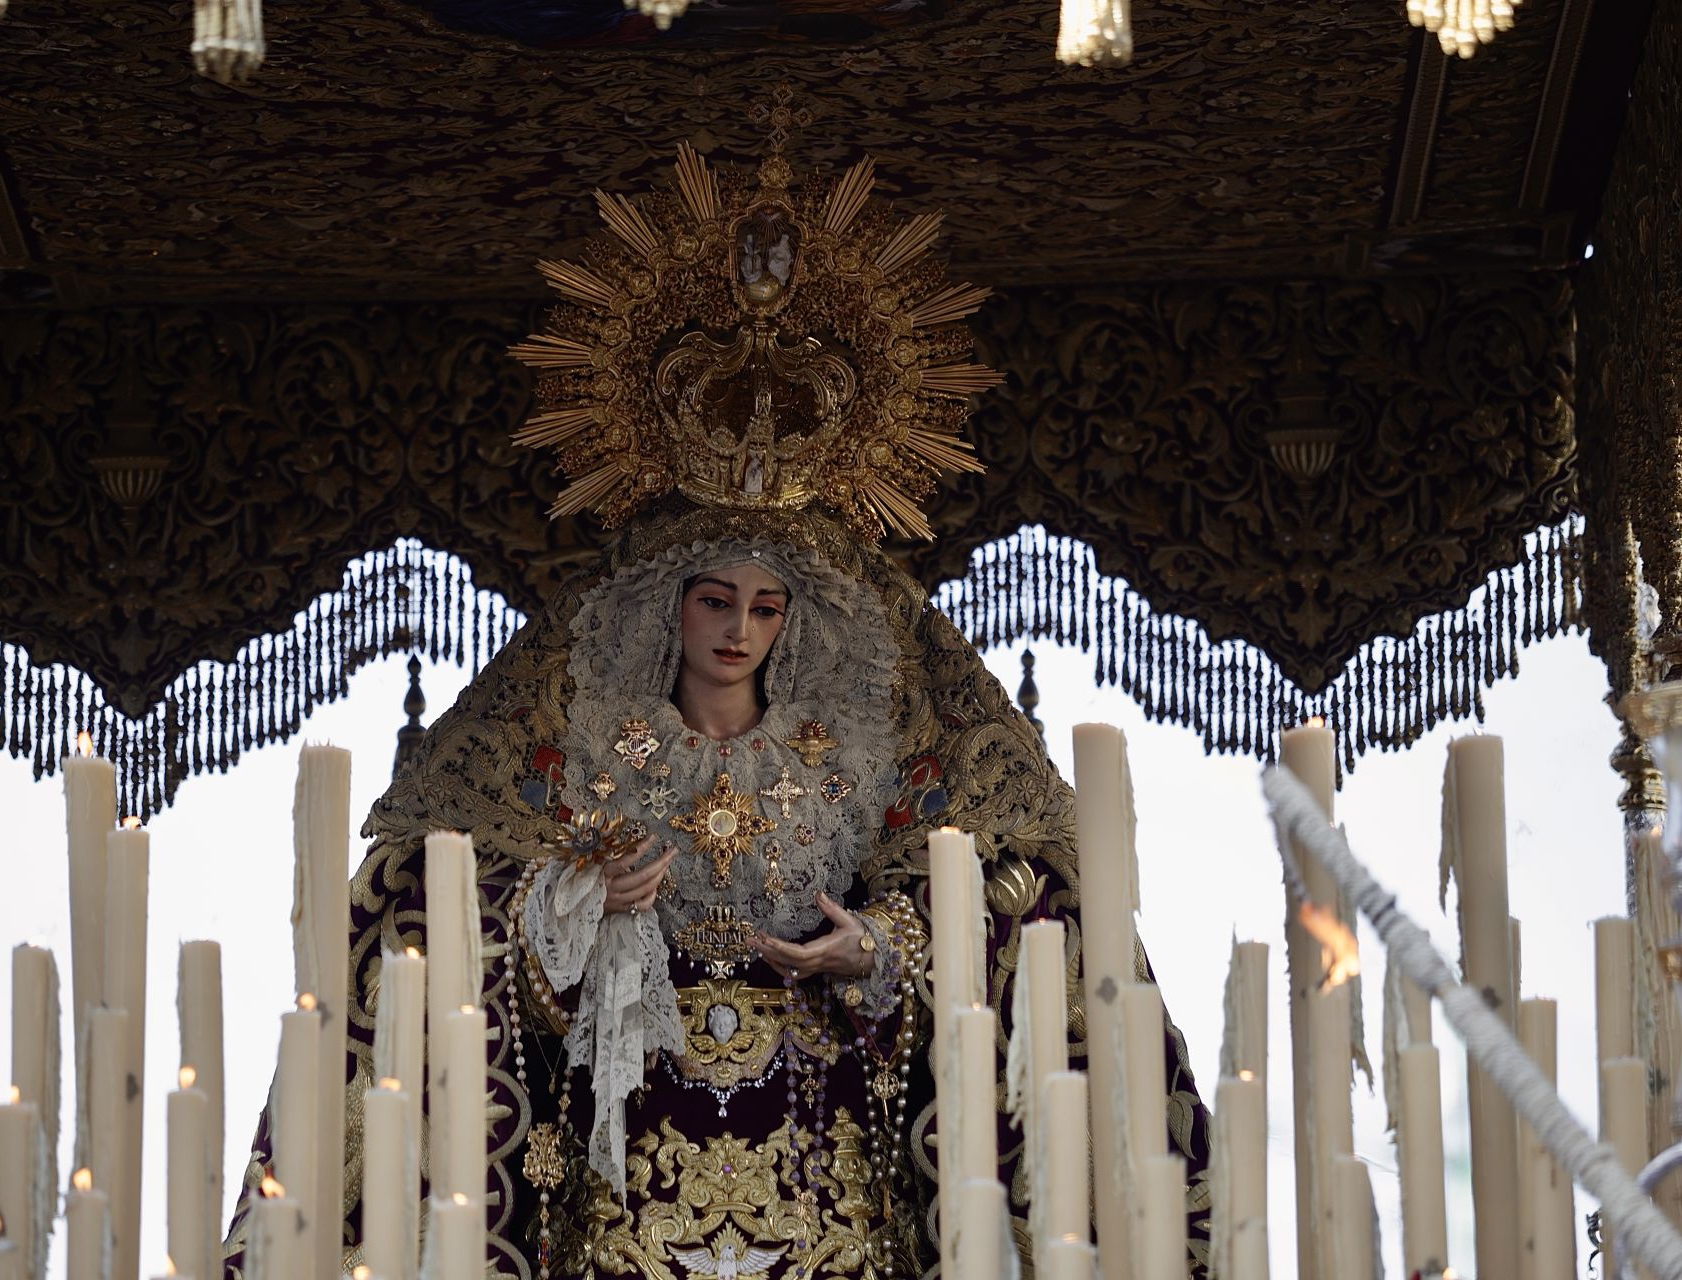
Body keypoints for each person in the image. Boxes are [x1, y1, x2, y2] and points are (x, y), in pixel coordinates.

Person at [224, 128, 1212, 1279]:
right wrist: (559, 912)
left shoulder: (875, 746)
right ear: (665, 609)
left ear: (802, 620)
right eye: (712, 598)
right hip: (619, 1185)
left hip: (836, 1171)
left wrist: (882, 948)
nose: (738, 627)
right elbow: (429, 917)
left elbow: (1016, 902)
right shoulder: (570, 746)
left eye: (765, 605)